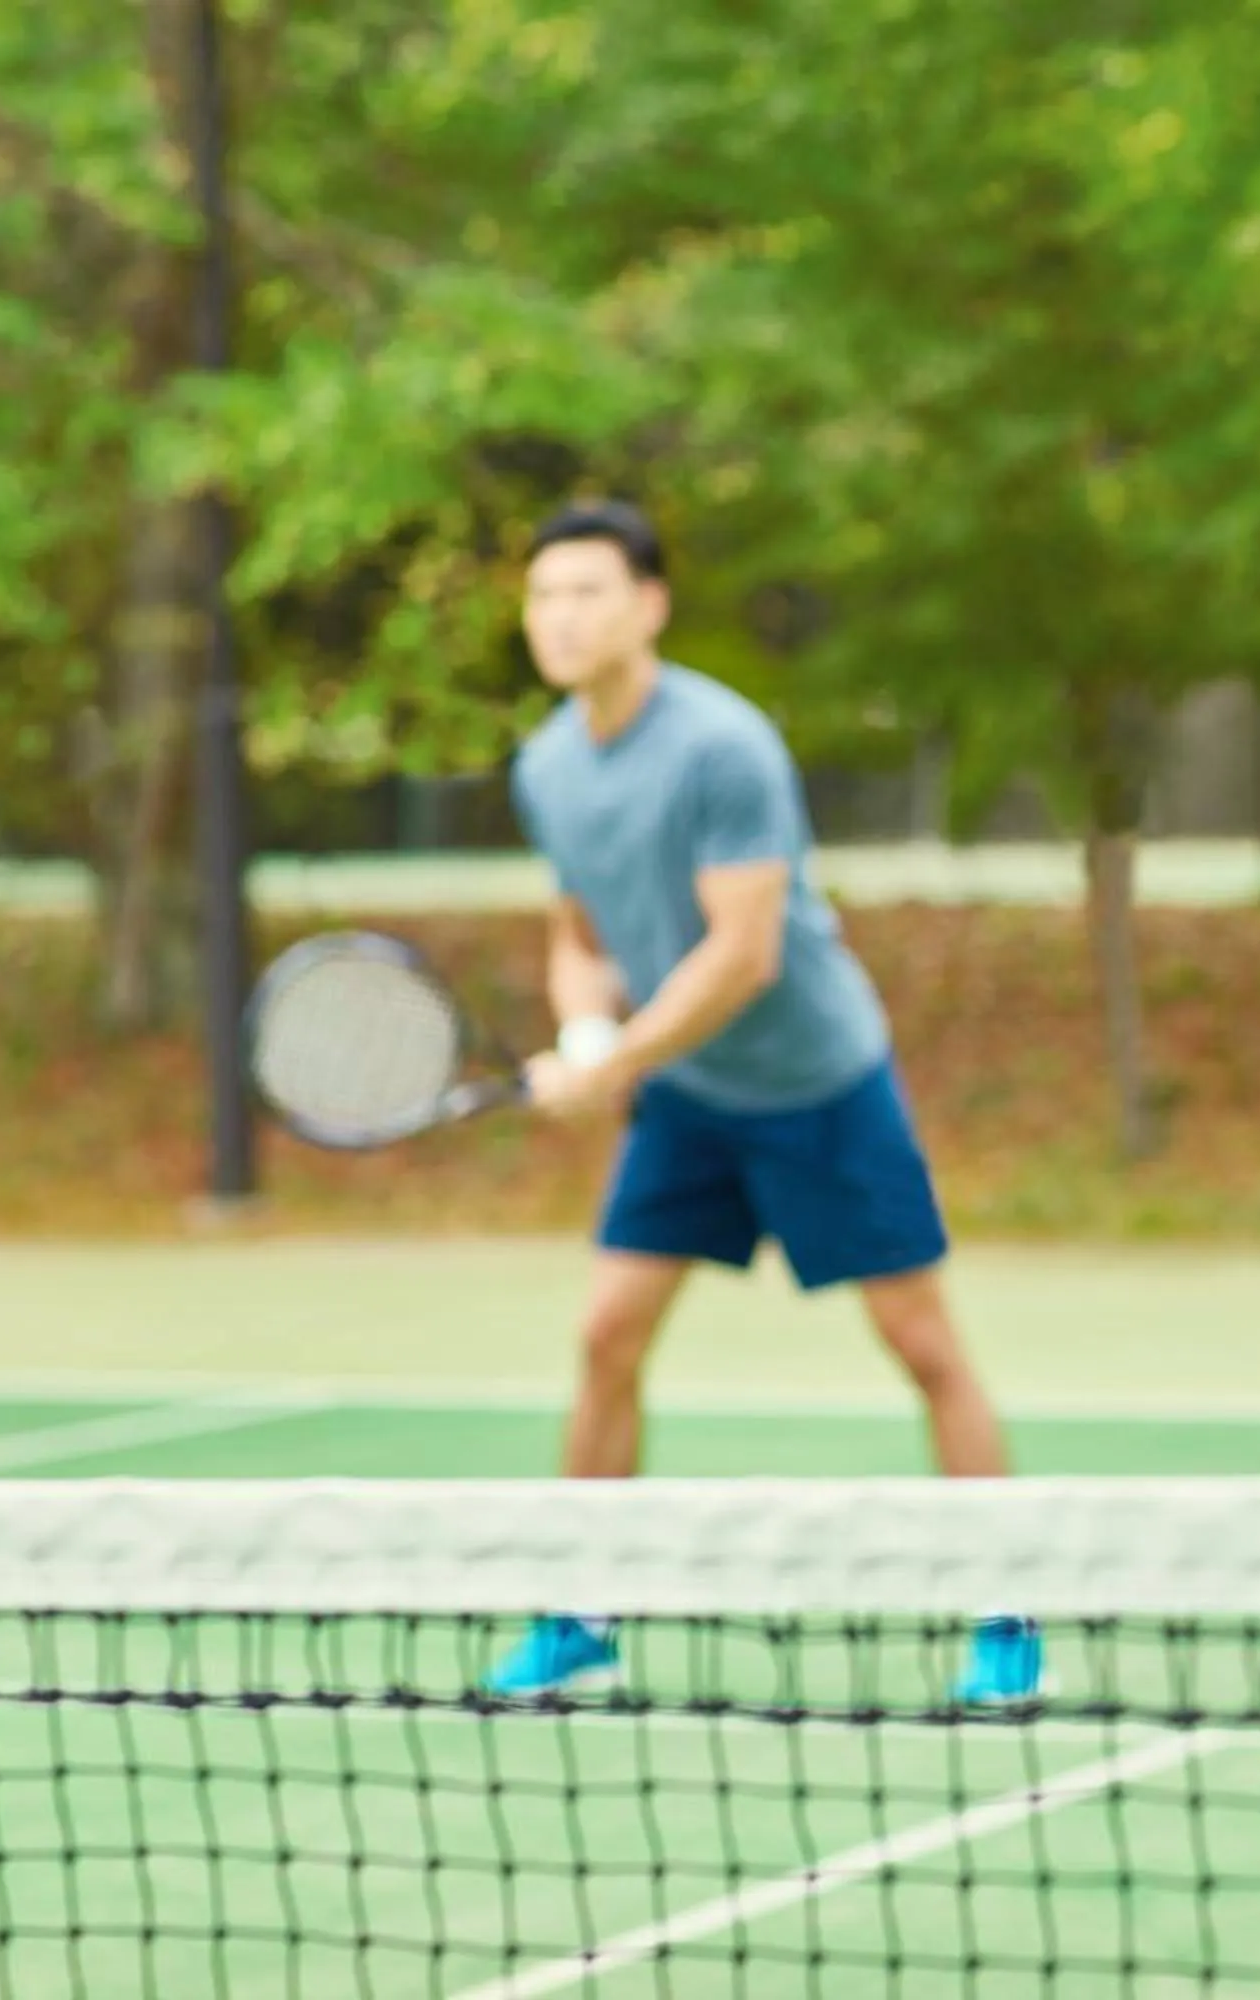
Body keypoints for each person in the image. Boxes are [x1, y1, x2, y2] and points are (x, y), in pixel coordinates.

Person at [479, 497, 1041, 1708]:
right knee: (606, 1335)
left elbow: (744, 954)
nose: (561, 616)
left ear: (649, 606)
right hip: (689, 1097)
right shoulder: (547, 768)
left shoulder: (724, 747)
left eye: (587, 591)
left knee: (922, 1344)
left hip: (815, 1083)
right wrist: (585, 1030)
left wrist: (615, 1061)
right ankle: (582, 1612)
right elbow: (580, 935)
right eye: (543, 595)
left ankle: (1006, 1613)